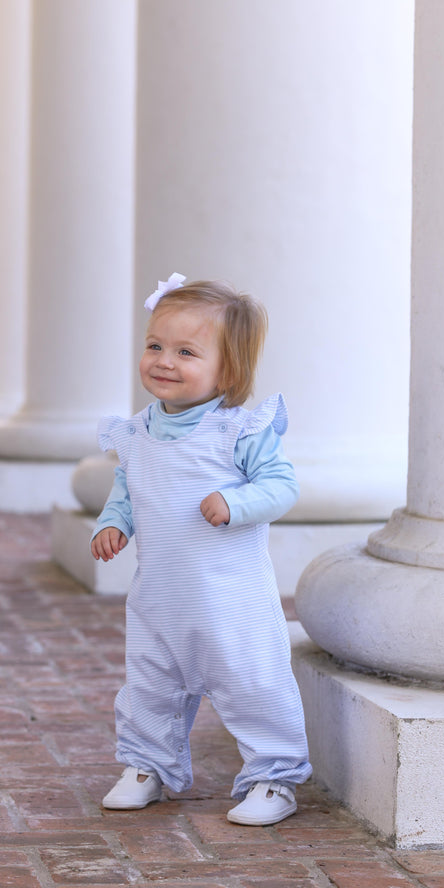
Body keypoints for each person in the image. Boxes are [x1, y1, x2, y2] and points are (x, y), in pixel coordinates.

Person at [91, 272, 311, 826]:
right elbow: (128, 488)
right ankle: (148, 765)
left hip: (230, 598)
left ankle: (273, 777)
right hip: (160, 595)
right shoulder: (137, 432)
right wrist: (113, 523)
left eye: (186, 351)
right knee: (149, 681)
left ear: (227, 370)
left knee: (251, 680)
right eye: (155, 346)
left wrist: (236, 503)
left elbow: (281, 486)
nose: (164, 360)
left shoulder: (238, 430)